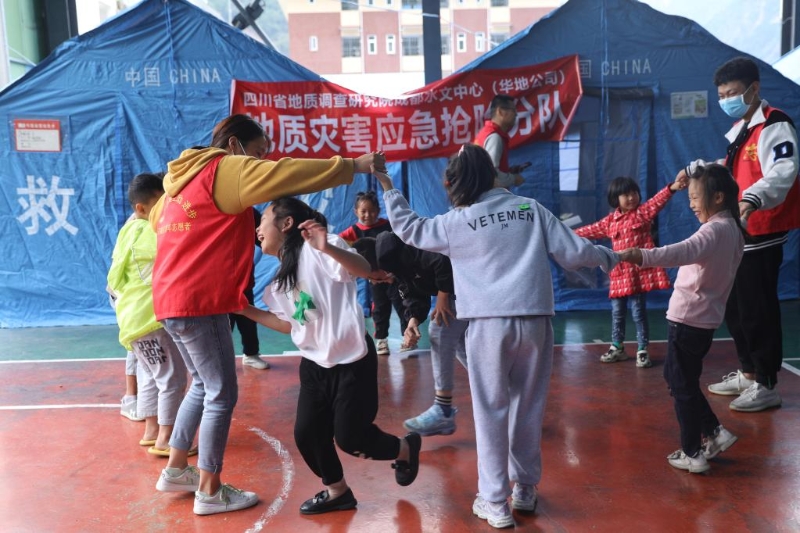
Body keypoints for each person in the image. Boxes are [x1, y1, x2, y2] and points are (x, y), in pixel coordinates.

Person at [150, 114, 384, 516]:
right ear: (235, 146)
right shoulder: (223, 169)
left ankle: (176, 469)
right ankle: (209, 489)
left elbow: (161, 227)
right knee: (221, 393)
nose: (260, 162)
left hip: (170, 298)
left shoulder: (176, 185)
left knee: (202, 385)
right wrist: (353, 166)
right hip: (199, 300)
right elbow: (286, 174)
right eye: (258, 153)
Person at [372, 145, 617, 529]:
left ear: (456, 182)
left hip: (488, 327)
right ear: (491, 175)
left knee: (491, 413)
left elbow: (410, 228)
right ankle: (525, 489)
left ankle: (495, 502)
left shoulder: (458, 221)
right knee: (528, 408)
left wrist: (388, 185)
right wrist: (611, 258)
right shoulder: (529, 209)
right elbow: (574, 252)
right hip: (535, 323)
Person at [237, 197, 421, 515]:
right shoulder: (278, 284)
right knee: (307, 434)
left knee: (351, 439)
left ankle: (404, 448)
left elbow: (362, 269)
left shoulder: (322, 248)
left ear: (286, 223)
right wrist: (244, 309)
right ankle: (338, 491)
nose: (257, 229)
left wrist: (326, 247)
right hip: (314, 364)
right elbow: (289, 325)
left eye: (263, 219)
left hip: (352, 361)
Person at [679, 57, 800, 412]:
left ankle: (767, 383)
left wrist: (751, 199)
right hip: (737, 231)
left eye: (732, 93)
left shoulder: (775, 124)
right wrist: (699, 168)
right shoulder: (741, 130)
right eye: (721, 95)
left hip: (761, 230)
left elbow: (783, 169)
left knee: (756, 308)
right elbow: (732, 169)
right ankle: (748, 373)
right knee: (735, 307)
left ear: (754, 89)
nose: (726, 99)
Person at [619, 164, 745, 473]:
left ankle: (693, 453)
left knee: (681, 387)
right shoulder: (732, 229)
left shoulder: (713, 231)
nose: (691, 204)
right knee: (679, 379)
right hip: (704, 321)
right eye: (689, 198)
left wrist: (641, 255)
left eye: (695, 197)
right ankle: (714, 432)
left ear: (718, 197)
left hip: (688, 320)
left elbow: (681, 252)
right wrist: (688, 172)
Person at [353, 233, 468, 437]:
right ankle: (501, 388)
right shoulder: (396, 268)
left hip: (467, 285)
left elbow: (441, 261)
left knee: (440, 329)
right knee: (458, 343)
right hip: (461, 289)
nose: (374, 283)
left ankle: (443, 409)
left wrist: (443, 296)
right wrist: (412, 321)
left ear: (375, 265)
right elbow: (414, 295)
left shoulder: (401, 249)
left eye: (371, 277)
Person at [107, 173, 189, 455]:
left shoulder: (127, 230)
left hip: (132, 320)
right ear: (141, 208)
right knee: (172, 378)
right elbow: (177, 248)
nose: (165, 209)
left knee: (151, 375)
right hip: (151, 318)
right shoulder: (149, 232)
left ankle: (151, 430)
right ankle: (167, 438)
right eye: (160, 203)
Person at [575, 175, 685, 368]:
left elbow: (657, 201)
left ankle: (642, 349)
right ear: (615, 199)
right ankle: (617, 347)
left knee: (638, 313)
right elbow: (590, 230)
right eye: (626, 194)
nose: (631, 197)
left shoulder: (642, 213)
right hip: (619, 277)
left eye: (634, 193)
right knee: (617, 313)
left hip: (637, 276)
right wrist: (567, 234)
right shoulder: (610, 222)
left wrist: (672, 188)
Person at [339, 191, 407, 355]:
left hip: (394, 277)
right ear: (356, 212)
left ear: (378, 210)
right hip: (375, 281)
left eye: (372, 211)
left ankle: (408, 337)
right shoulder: (353, 231)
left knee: (402, 306)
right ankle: (381, 340)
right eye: (363, 211)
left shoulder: (388, 226)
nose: (368, 215)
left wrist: (396, 271)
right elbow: (337, 243)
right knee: (380, 309)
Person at [230, 207, 269, 370]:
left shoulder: (248, 213)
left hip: (243, 279)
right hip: (217, 283)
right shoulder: (208, 211)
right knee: (222, 326)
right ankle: (220, 360)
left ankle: (251, 354)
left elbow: (264, 239)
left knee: (248, 320)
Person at [474, 94, 530, 189]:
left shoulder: (485, 132)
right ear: (500, 111)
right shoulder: (494, 137)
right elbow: (492, 175)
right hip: (491, 195)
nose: (516, 114)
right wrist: (514, 178)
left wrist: (509, 171)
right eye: (513, 110)